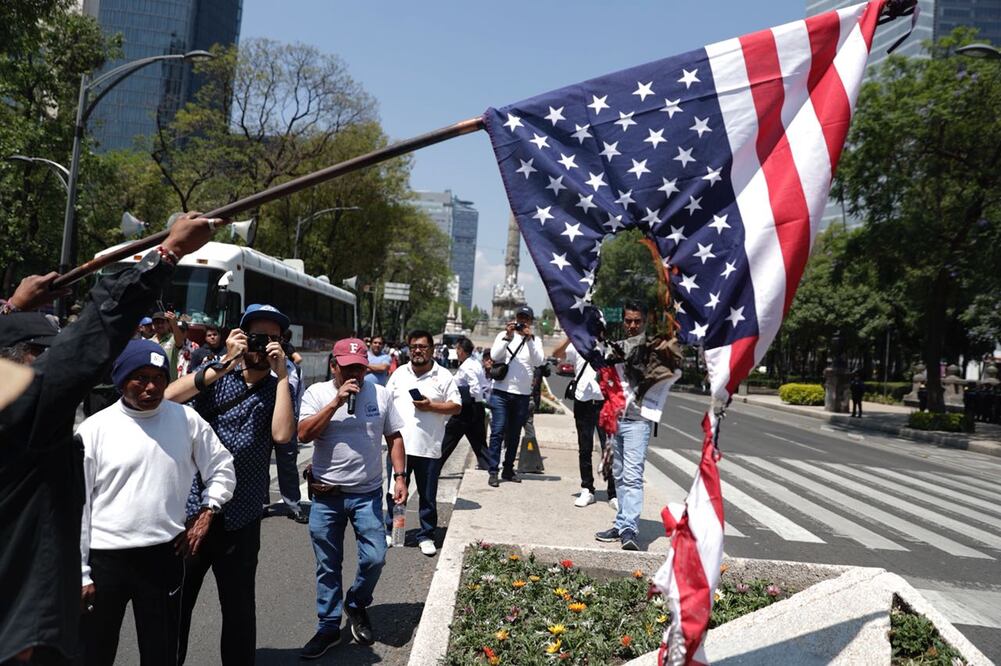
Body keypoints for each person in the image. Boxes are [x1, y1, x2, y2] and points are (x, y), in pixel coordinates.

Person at [0, 212, 217, 666]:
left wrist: (14, 310)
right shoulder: (25, 409)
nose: (51, 363)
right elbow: (92, 337)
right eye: (43, 353)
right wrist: (168, 253)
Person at [78, 339, 236, 666]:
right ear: (121, 379)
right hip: (105, 561)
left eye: (159, 377)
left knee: (161, 652)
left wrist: (207, 511)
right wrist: (81, 573)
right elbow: (76, 506)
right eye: (141, 378)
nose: (152, 387)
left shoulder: (186, 420)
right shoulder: (94, 429)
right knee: (95, 651)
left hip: (164, 555)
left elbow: (222, 467)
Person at [165, 304, 296, 665]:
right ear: (239, 337)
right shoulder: (215, 376)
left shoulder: (279, 388)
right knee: (176, 604)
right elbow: (167, 398)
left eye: (272, 338)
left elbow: (283, 436)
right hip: (192, 513)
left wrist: (282, 375)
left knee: (239, 610)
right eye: (256, 336)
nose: (262, 345)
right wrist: (225, 360)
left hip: (242, 516)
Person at [297, 338, 408, 659]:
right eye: (347, 369)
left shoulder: (381, 394)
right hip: (326, 495)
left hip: (367, 494)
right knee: (327, 565)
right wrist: (334, 403)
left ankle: (357, 603)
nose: (354, 375)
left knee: (375, 557)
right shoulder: (316, 394)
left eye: (359, 368)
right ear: (334, 365)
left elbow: (395, 436)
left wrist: (400, 477)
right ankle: (329, 625)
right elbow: (303, 434)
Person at [384, 330, 461, 556]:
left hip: (429, 447)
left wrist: (431, 406)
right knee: (396, 492)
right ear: (408, 349)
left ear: (432, 350)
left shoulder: (443, 375)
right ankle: (395, 531)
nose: (418, 350)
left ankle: (426, 534)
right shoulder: (399, 373)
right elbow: (386, 404)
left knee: (428, 495)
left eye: (423, 347)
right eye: (414, 346)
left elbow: (456, 406)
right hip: (400, 447)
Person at [594, 301, 655, 551]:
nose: (632, 325)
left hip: (638, 421)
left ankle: (630, 527)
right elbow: (603, 377)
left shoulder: (652, 349)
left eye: (637, 321)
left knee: (632, 476)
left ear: (645, 321)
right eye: (628, 320)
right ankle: (621, 524)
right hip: (616, 418)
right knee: (618, 474)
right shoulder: (615, 347)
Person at [554, 337, 617, 509]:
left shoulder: (611, 346)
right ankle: (587, 489)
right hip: (583, 401)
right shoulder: (577, 344)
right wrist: (569, 334)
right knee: (585, 447)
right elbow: (557, 353)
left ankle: (613, 493)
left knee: (609, 448)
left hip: (605, 402)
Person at [486, 305, 545, 487]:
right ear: (515, 318)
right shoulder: (503, 336)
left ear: (531, 322)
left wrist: (529, 339)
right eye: (520, 317)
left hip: (522, 395)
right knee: (497, 431)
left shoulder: (535, 341)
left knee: (514, 434)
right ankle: (493, 470)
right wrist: (507, 336)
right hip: (501, 392)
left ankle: (509, 469)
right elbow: (495, 355)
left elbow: (539, 361)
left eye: (526, 318)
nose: (522, 321)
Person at [440, 337, 490, 470]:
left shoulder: (467, 367)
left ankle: (434, 467)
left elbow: (475, 389)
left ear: (462, 350)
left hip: (467, 408)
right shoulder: (474, 362)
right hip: (477, 407)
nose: (456, 351)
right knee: (478, 441)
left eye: (457, 348)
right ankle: (488, 465)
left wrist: (460, 394)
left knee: (449, 438)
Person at [151, 310, 185, 380]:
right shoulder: (148, 342)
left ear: (168, 324)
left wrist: (174, 324)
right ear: (153, 325)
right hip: (153, 383)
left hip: (170, 383)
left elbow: (180, 341)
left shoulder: (173, 339)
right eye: (157, 323)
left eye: (162, 322)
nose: (160, 325)